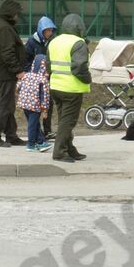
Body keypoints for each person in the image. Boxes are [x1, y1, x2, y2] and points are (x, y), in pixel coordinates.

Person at [48, 13, 91, 163]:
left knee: (63, 120)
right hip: (71, 88)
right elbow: (79, 67)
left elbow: (48, 65)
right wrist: (88, 79)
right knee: (68, 122)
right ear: (79, 28)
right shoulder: (78, 43)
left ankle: (69, 149)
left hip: (55, 87)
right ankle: (59, 152)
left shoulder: (54, 41)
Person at [0, 0, 27, 148]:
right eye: (16, 13)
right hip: (4, 72)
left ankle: (11, 135)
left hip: (0, 71)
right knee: (5, 104)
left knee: (8, 104)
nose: (17, 16)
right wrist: (18, 70)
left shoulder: (0, 24)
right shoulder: (4, 28)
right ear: (10, 13)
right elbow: (7, 52)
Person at [25, 16, 58, 141]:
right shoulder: (31, 42)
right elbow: (26, 60)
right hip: (34, 79)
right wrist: (31, 74)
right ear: (41, 30)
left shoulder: (51, 42)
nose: (49, 33)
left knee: (48, 104)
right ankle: (36, 135)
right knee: (35, 107)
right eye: (47, 30)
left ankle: (47, 131)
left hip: (47, 78)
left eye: (51, 30)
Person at [17, 54, 53, 154]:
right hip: (35, 106)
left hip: (24, 104)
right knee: (33, 125)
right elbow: (44, 96)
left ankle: (41, 142)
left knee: (35, 124)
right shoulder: (43, 80)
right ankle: (31, 144)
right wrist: (45, 110)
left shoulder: (26, 75)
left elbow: (19, 87)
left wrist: (23, 98)